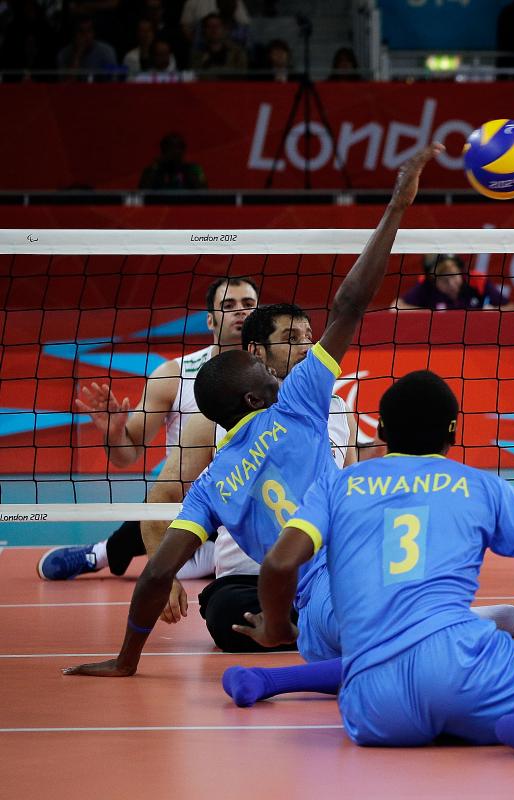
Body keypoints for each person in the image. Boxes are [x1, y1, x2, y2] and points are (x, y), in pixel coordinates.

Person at [62, 144, 443, 680]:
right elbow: (351, 303)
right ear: (255, 395)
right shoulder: (297, 404)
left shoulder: (212, 482)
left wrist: (125, 660)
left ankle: (282, 657)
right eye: (265, 374)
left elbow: (155, 578)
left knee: (350, 645)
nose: (277, 372)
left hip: (303, 604)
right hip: (354, 576)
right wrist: (397, 207)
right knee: (432, 647)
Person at [229, 370, 514, 762]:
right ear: (453, 432)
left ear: (382, 433)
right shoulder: (482, 485)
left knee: (401, 673)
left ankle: (476, 721)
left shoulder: (337, 484)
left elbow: (280, 562)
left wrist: (278, 628)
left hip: (373, 709)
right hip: (465, 666)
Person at [141, 302, 356, 652]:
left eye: (308, 336)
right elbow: (162, 496)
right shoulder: (210, 422)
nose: (305, 346)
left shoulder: (335, 407)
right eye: (290, 337)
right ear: (257, 351)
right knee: (226, 616)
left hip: (324, 569)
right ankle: (327, 628)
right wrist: (163, 574)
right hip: (248, 581)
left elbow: (351, 485)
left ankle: (309, 624)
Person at [39, 276, 257, 581]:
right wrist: (115, 434)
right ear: (210, 320)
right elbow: (126, 455)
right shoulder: (173, 374)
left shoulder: (275, 377)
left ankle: (107, 552)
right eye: (229, 305)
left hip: (252, 504)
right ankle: (102, 554)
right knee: (164, 509)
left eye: (249, 305)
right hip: (188, 504)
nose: (240, 312)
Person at [395, 254, 513, 310]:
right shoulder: (426, 285)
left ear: (460, 271)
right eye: (444, 280)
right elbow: (396, 307)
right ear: (433, 280)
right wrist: (429, 314)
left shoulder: (477, 280)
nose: (451, 284)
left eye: (453, 275)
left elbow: (511, 307)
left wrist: (495, 312)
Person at [137, 132, 208, 191]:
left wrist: (185, 170)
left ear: (183, 150)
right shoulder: (153, 169)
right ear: (163, 150)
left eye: (178, 147)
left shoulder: (194, 168)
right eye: (170, 147)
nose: (175, 151)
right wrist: (156, 167)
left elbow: (203, 192)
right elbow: (142, 194)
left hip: (186, 206)